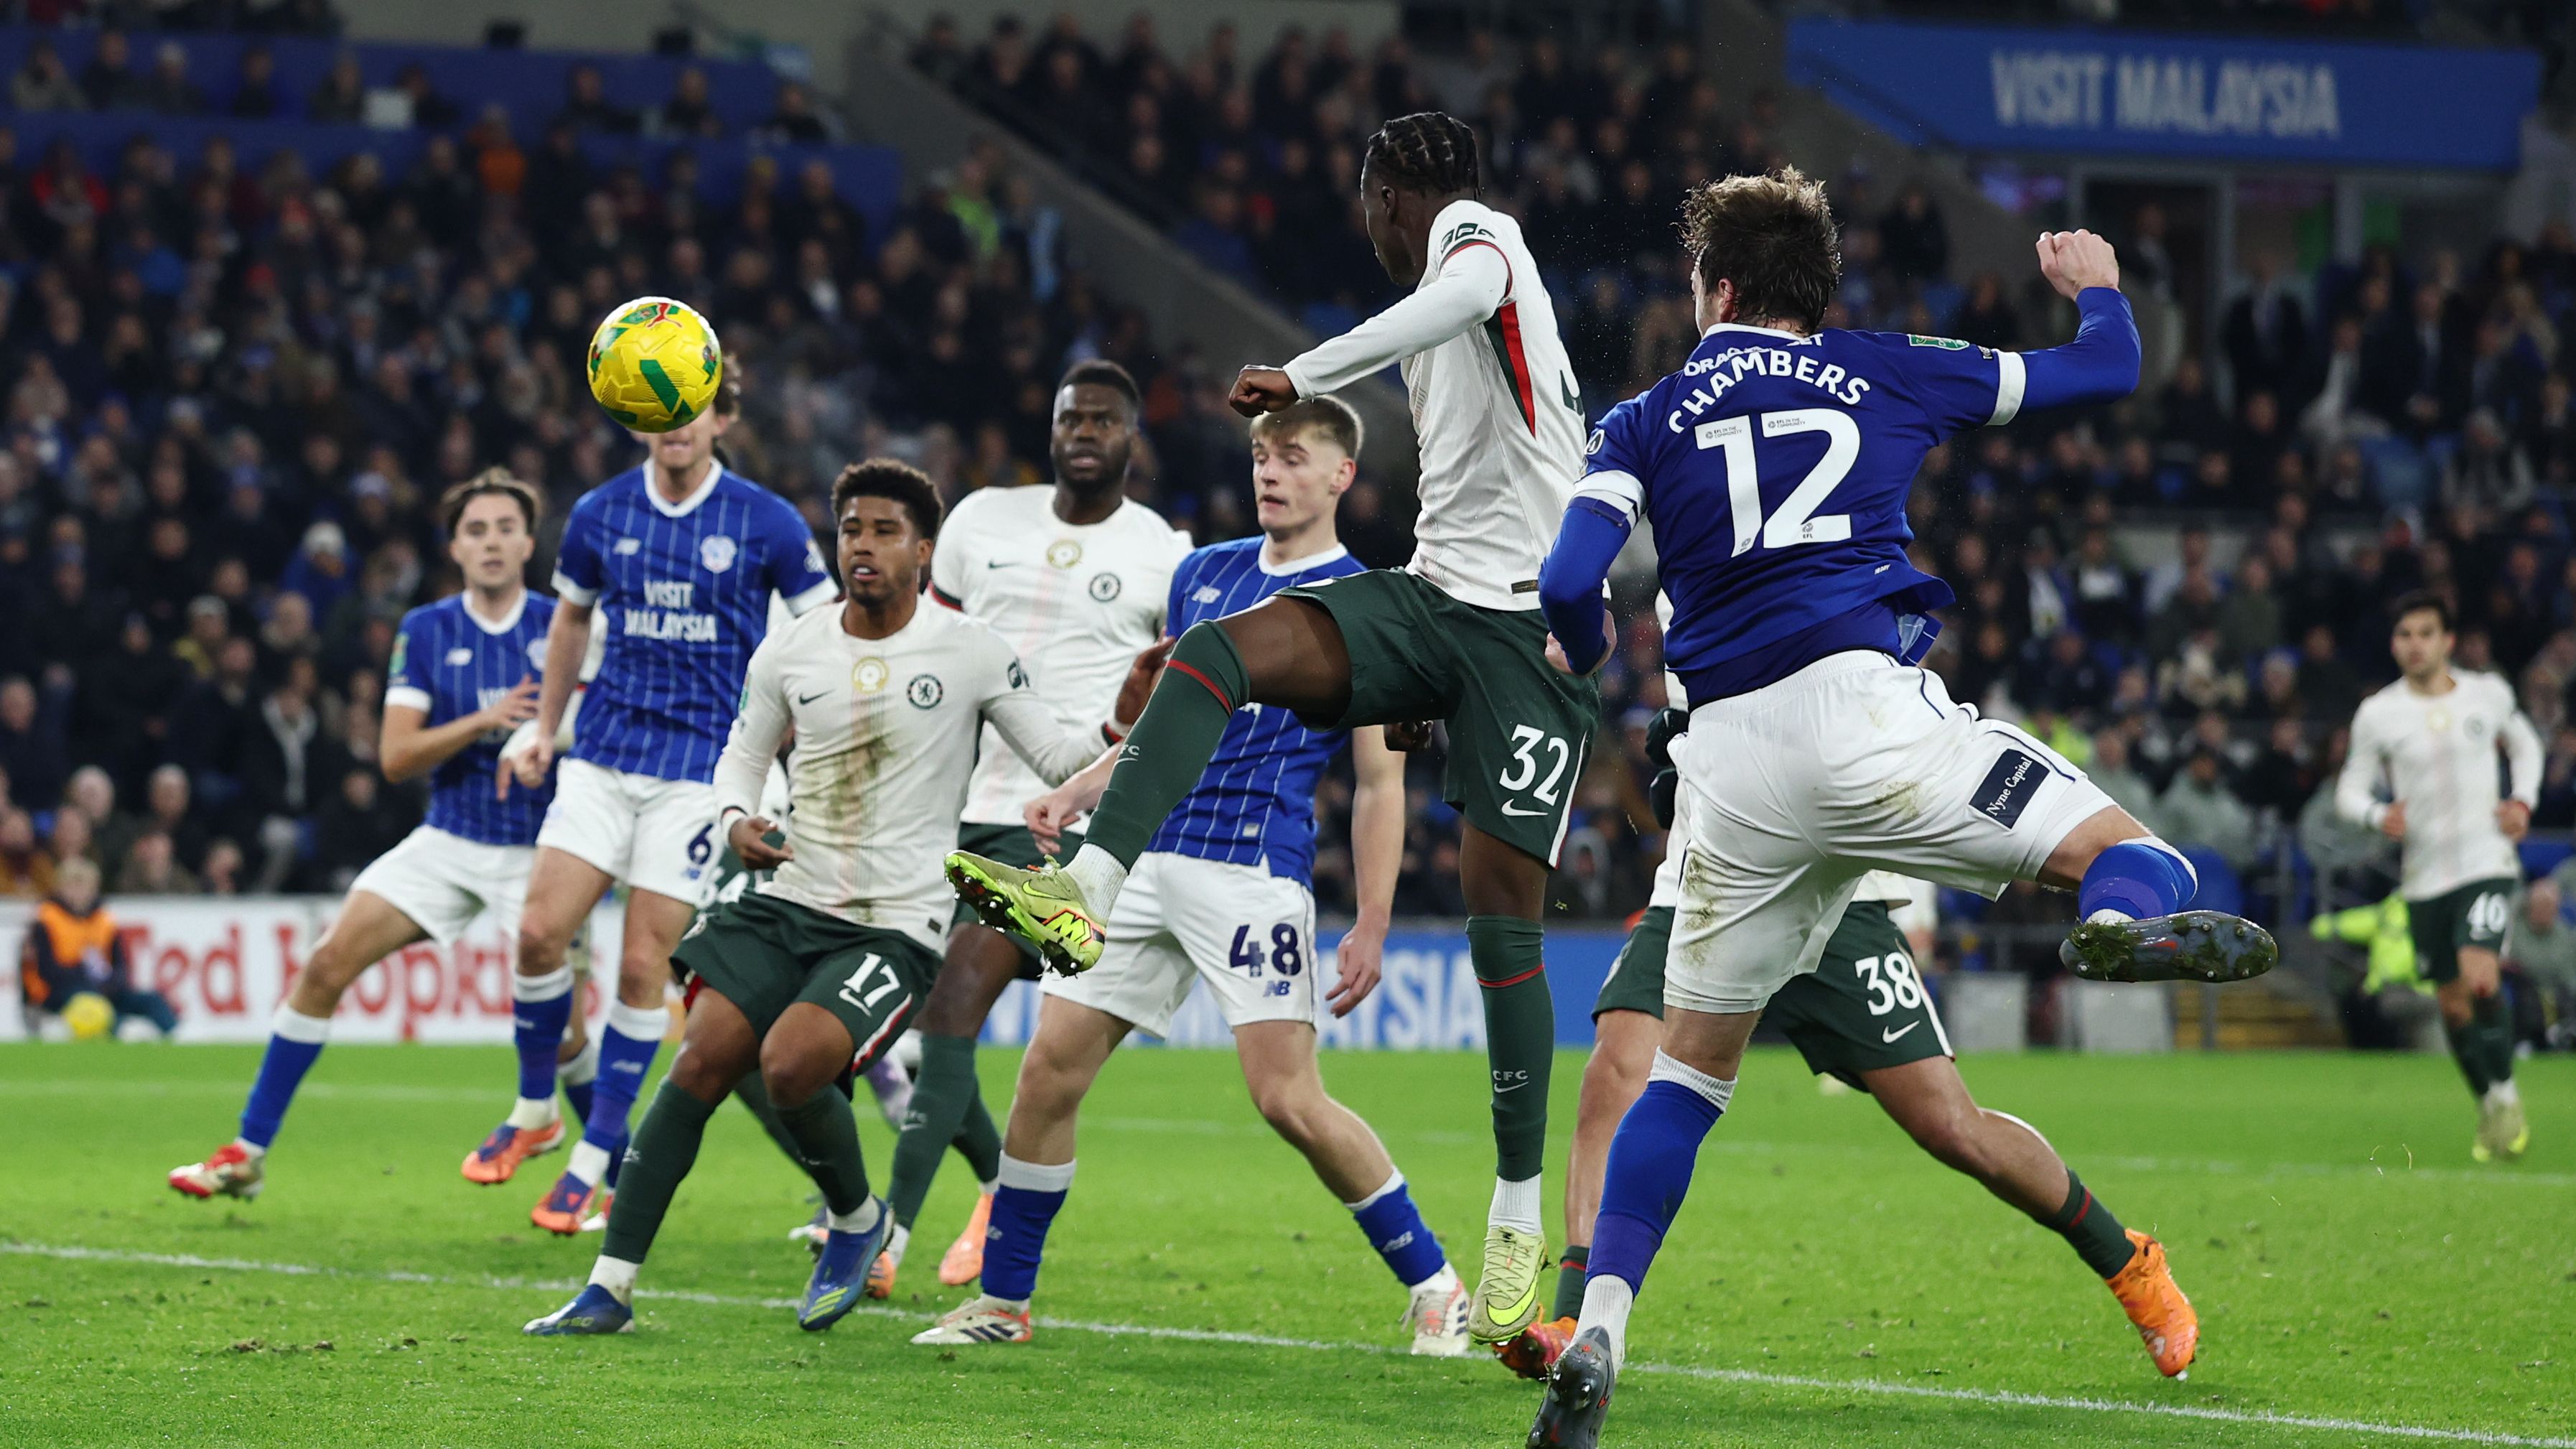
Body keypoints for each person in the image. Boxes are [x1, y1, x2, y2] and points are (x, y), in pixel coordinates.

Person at [1521, 170, 2274, 1446]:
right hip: (1871, 727)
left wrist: (1587, 640)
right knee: (2134, 851)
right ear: (1812, 291)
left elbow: (1566, 580)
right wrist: (2097, 288)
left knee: (1684, 1082)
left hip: (1732, 779)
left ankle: (1599, 1326)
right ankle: (2111, 921)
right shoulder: (1881, 365)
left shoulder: (1645, 415)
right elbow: (2105, 370)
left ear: (1717, 288)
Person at [948, 111, 1595, 1348]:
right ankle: (1084, 884)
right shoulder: (1220, 558)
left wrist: (1304, 370)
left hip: (1520, 636)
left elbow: (1453, 295)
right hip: (1433, 598)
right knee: (1215, 650)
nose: (1370, 228)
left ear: (1387, 194)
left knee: (1500, 922)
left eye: (1368, 204)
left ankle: (1514, 1211)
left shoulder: (1480, 240)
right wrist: (1080, 792)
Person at [914, 398, 1470, 1354]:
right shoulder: (1202, 574)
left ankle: (1437, 1285)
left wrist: (1374, 915)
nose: (1270, 472)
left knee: (1286, 1097)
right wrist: (1078, 791)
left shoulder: (1371, 602)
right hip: (1140, 858)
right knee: (1047, 1072)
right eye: (1261, 456)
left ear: (1341, 475)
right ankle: (1003, 1303)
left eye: (1293, 457)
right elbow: (1159, 730)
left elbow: (1381, 782)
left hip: (1251, 867)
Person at [1500, 653, 2193, 1387]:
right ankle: (1578, 1321)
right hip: (1714, 871)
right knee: (1616, 1070)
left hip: (1841, 884)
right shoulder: (1679, 584)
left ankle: (2125, 1257)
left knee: (1950, 1125)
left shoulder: (1828, 583)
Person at [523, 460, 1099, 1336]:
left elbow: (1059, 760)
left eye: (884, 531)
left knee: (792, 1065)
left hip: (894, 923)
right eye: (850, 529)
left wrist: (1124, 722)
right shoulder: (793, 646)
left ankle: (857, 1218)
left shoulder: (972, 649)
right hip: (788, 897)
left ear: (924, 550)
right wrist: (734, 818)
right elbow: (742, 755)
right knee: (701, 1059)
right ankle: (609, 1287)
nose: (862, 546)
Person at [869, 360, 1190, 1300]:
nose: (1084, 431)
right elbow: (926, 653)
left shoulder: (1166, 554)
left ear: (1133, 438)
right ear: (1050, 429)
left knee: (951, 1006)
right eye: (1070, 417)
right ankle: (991, 1181)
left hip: (1062, 826)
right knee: (903, 1027)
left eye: (1103, 419)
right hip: (950, 810)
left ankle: (880, 1237)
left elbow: (1178, 697)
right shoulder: (980, 522)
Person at [494, 376, 838, 1234]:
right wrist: (546, 729)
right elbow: (571, 622)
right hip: (604, 755)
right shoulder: (600, 512)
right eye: (661, 411)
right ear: (639, 421)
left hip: (701, 771)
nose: (676, 425)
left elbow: (827, 633)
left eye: (693, 407)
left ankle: (591, 1159)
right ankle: (536, 1109)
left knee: (643, 965)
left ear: (723, 418)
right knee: (537, 934)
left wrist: (810, 748)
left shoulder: (767, 521)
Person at [169, 472, 567, 1201]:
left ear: (528, 543)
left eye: (506, 528)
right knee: (326, 964)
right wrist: (485, 721)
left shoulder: (564, 625)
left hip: (540, 850)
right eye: (476, 530)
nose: (491, 542)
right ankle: (247, 1152)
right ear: (454, 546)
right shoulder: (426, 628)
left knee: (565, 1036)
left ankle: (612, 1174)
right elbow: (395, 756)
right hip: (448, 838)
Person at [2333, 591, 2540, 1162]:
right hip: (2424, 878)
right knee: (2452, 1007)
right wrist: (2377, 814)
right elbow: (2349, 790)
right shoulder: (2379, 713)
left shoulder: (2487, 694)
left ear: (2447, 641)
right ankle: (2489, 1101)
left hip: (2487, 862)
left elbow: (2526, 746)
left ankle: (2506, 1093)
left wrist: (2523, 800)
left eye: (2426, 633)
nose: (2415, 644)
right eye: (2405, 635)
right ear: (2394, 644)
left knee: (2481, 980)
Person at [20, 857, 178, 1041]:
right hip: (60, 992)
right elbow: (47, 970)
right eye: (73, 886)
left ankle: (174, 1036)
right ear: (60, 888)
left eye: (84, 886)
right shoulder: (46, 920)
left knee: (152, 1000)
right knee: (94, 1006)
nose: (79, 893)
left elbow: (120, 966)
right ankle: (121, 1036)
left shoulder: (105, 921)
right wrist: (85, 976)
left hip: (102, 987)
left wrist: (111, 983)